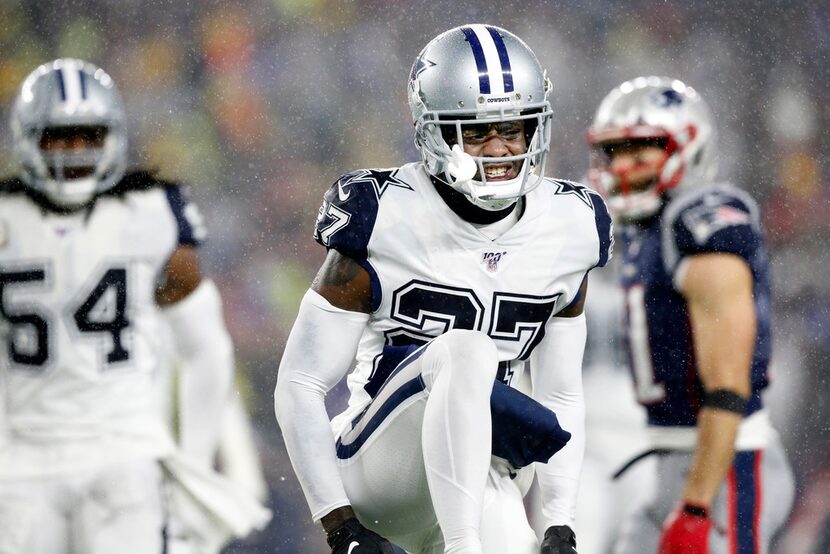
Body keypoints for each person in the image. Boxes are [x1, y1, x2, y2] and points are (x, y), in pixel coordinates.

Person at [275, 24, 613, 554]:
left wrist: (560, 524)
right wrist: (339, 526)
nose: (499, 148)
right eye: (476, 132)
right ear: (433, 132)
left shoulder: (570, 224)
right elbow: (299, 382)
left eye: (513, 128)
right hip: (383, 467)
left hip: (489, 471)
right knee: (464, 350)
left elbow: (560, 393)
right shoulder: (384, 212)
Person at [0, 58, 269, 554]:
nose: (75, 151)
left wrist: (189, 462)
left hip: (118, 454)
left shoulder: (149, 214)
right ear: (27, 138)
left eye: (88, 135)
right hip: (24, 460)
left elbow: (206, 349)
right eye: (59, 137)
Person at [585, 76, 794, 553]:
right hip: (672, 462)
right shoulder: (652, 227)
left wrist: (698, 506)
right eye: (614, 153)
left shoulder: (703, 224)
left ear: (688, 147)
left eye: (641, 152)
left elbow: (728, 385)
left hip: (728, 465)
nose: (624, 168)